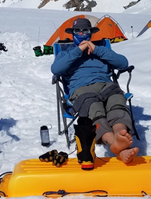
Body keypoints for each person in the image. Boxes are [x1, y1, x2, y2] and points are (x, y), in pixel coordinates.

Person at [51, 18, 140, 169]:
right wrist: (78, 50)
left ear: (90, 33)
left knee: (117, 100)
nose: (81, 33)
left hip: (106, 85)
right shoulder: (66, 53)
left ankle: (120, 133)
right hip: (81, 89)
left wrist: (97, 49)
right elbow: (56, 69)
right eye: (77, 31)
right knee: (94, 106)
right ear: (72, 34)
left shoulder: (101, 50)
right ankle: (115, 144)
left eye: (85, 31)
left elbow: (123, 63)